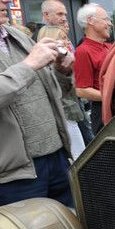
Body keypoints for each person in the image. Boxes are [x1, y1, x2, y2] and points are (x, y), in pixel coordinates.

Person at [0, 0, 75, 208]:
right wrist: (29, 64)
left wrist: (62, 70)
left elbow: (55, 92)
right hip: (12, 178)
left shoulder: (17, 37)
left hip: (57, 159)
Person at [37, 26, 86, 160]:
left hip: (70, 113)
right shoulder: (48, 65)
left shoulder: (65, 61)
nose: (68, 41)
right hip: (64, 115)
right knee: (78, 155)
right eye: (63, 38)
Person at [74, 3, 112, 134]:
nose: (109, 24)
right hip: (103, 112)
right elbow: (81, 90)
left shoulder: (109, 47)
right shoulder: (83, 51)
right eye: (105, 19)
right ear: (90, 21)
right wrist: (111, 97)